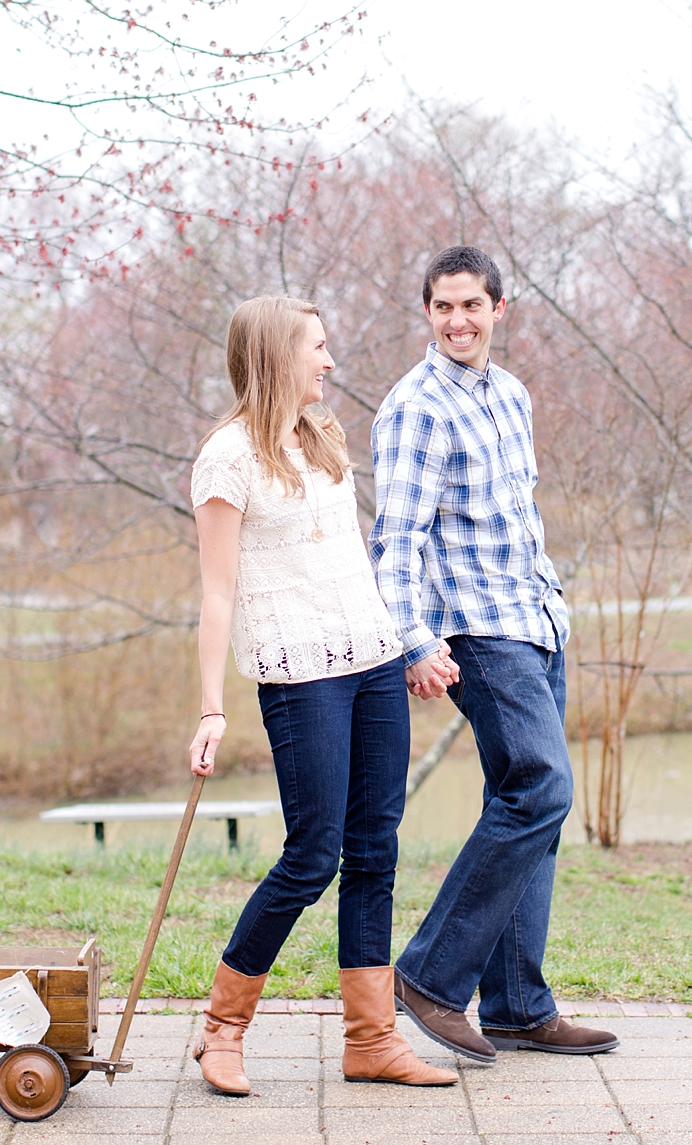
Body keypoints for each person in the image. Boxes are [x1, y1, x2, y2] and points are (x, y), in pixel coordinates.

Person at [185, 295, 458, 1097]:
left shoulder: (322, 438)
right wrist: (210, 707)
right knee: (312, 857)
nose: (330, 362)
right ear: (278, 356)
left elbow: (354, 562)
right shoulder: (226, 459)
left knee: (376, 849)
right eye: (318, 348)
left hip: (374, 665)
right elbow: (217, 595)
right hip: (299, 676)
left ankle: (372, 1041)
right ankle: (221, 1030)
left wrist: (404, 647)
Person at [371, 246, 618, 1062]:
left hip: (538, 621)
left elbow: (519, 517)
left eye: (471, 306)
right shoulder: (415, 408)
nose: (457, 321)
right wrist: (414, 639)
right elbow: (397, 537)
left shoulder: (511, 396)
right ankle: (433, 975)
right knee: (543, 786)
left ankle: (517, 1004)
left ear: (499, 309)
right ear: (429, 313)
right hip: (477, 632)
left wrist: (555, 607)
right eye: (442, 307)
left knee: (528, 806)